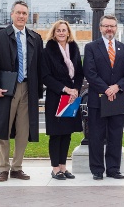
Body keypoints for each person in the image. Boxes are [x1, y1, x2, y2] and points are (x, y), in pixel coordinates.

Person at [0, 0, 43, 182]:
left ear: (28, 16)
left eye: (24, 13)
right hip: (5, 89)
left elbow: (40, 67)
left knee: (23, 131)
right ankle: (3, 168)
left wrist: (38, 92)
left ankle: (17, 167)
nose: (21, 16)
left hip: (28, 88)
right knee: (3, 128)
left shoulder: (35, 38)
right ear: (12, 14)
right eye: (18, 13)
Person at [83, 15, 124, 180]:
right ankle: (97, 170)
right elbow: (90, 73)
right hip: (97, 99)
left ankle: (113, 169)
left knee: (115, 135)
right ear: (100, 28)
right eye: (106, 26)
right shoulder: (91, 47)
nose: (109, 29)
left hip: (117, 99)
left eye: (112, 26)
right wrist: (106, 89)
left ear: (116, 28)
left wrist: (117, 87)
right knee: (96, 136)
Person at [42, 20, 84, 180]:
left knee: (67, 134)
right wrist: (65, 89)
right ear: (54, 33)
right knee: (56, 134)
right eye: (58, 30)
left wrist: (76, 90)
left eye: (64, 30)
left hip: (72, 98)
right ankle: (55, 169)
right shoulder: (47, 52)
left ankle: (63, 167)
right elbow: (46, 76)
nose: (61, 33)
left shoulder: (74, 49)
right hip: (56, 97)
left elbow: (79, 73)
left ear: (68, 33)